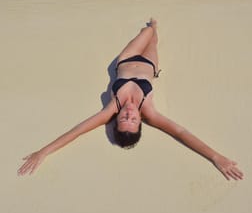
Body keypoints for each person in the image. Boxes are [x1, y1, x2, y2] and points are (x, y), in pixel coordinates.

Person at [17, 19, 244, 181]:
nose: (129, 114)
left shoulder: (111, 108)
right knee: (154, 40)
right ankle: (154, 28)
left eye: (123, 119)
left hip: (126, 59)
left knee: (146, 32)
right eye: (133, 120)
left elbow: (77, 131)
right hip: (150, 66)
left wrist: (43, 151)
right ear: (139, 122)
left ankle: (151, 26)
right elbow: (181, 133)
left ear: (115, 121)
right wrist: (216, 157)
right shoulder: (150, 112)